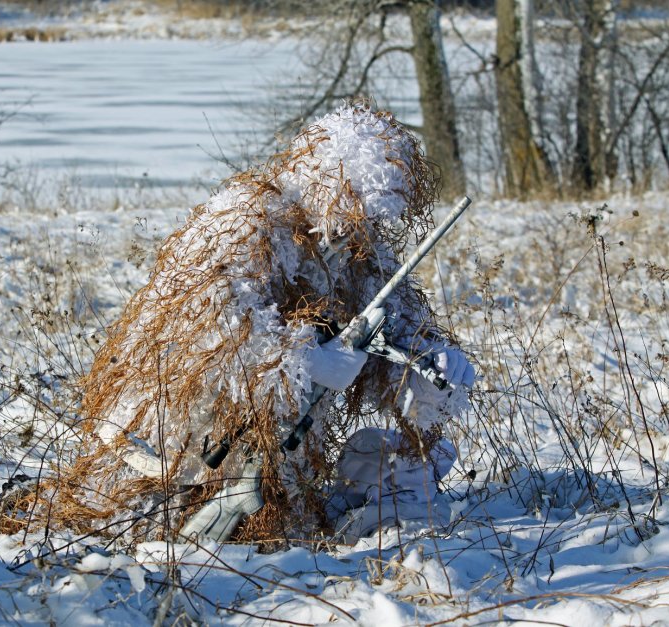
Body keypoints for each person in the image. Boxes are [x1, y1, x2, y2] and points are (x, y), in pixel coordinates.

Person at [60, 103, 474, 546]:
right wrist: (307, 359)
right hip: (166, 443)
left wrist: (431, 364)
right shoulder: (245, 221)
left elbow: (394, 326)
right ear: (326, 181)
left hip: (273, 457)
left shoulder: (362, 255)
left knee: (275, 532)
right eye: (352, 212)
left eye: (369, 220)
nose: (359, 232)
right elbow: (205, 325)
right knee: (148, 532)